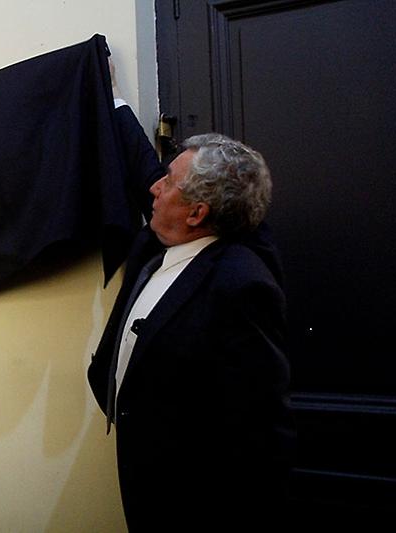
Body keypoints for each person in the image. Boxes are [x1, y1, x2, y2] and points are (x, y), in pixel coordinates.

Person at [88, 61, 296, 527]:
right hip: (141, 470)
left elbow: (261, 431)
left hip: (196, 499)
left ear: (199, 212)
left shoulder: (242, 285)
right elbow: (146, 169)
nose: (154, 188)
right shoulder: (164, 235)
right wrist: (113, 98)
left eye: (168, 182)